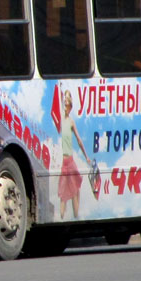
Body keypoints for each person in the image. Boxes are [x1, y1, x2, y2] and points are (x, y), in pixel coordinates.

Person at [58, 89, 93, 220]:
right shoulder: (59, 120)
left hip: (71, 160)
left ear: (71, 107)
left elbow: (79, 141)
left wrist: (86, 157)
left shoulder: (71, 122)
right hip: (64, 162)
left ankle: (76, 217)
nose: (66, 106)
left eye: (68, 104)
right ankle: (61, 217)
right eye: (64, 103)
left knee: (76, 190)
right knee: (63, 194)